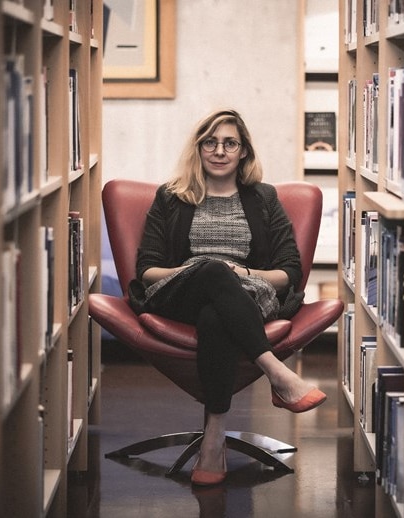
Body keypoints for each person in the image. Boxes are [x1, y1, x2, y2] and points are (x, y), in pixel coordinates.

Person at [128, 108, 327, 486]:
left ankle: (213, 441)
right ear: (199, 148)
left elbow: (289, 271)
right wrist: (199, 270)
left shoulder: (264, 199)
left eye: (229, 143)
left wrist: (243, 273)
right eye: (211, 142)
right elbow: (148, 269)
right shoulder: (171, 197)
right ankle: (278, 373)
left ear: (243, 152)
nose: (219, 150)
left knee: (215, 315)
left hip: (248, 295)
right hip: (179, 292)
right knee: (212, 270)